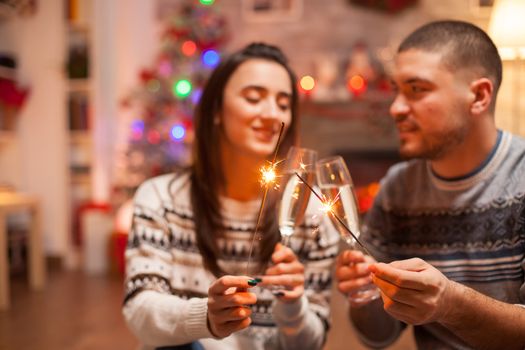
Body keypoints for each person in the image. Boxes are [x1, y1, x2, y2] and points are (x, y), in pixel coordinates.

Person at [123, 42, 338, 350]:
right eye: (253, 98)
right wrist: (207, 317)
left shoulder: (311, 212)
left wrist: (293, 306)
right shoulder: (161, 198)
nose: (272, 114)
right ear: (215, 112)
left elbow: (311, 343)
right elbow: (140, 312)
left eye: (283, 103)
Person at [335, 20, 525, 349]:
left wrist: (450, 303)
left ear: (479, 95)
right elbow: (380, 336)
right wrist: (363, 294)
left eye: (417, 89)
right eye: (396, 90)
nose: (395, 108)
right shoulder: (398, 187)